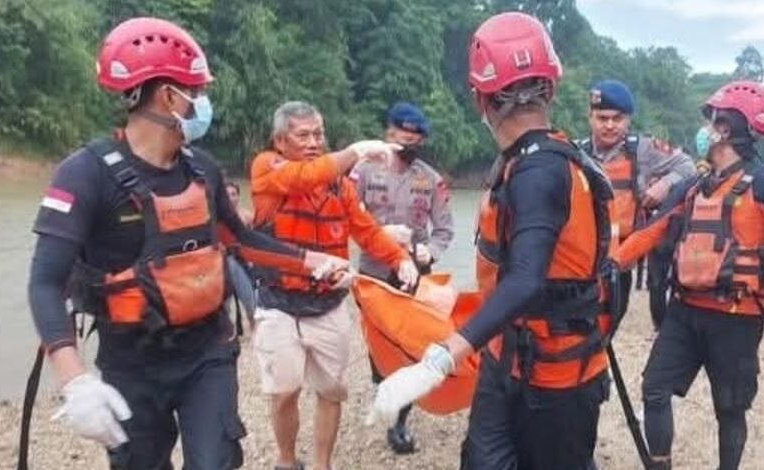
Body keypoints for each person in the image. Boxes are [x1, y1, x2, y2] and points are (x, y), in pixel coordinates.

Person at [27, 18, 348, 470]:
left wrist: (311, 260)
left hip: (206, 351)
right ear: (168, 96)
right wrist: (74, 379)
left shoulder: (202, 168)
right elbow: (44, 281)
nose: (202, 102)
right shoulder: (84, 174)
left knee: (216, 460)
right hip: (130, 359)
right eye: (196, 91)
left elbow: (241, 241)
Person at [371, 12, 616, 469]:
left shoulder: (540, 171)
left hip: (553, 377)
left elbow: (525, 280)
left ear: (479, 99)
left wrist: (439, 360)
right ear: (554, 86)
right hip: (509, 360)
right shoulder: (526, 162)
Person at [249, 100, 420, 470]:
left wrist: (400, 259)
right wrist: (355, 151)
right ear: (280, 140)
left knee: (331, 390)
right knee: (283, 391)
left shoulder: (339, 185)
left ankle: (323, 464)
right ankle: (286, 459)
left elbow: (367, 231)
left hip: (327, 305)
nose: (314, 141)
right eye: (303, 135)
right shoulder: (267, 168)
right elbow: (302, 177)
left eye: (318, 134)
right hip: (279, 301)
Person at [612, 80, 764, 470]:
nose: (705, 128)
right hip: (685, 312)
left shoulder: (759, 185)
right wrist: (610, 266)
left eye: (711, 120)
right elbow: (652, 231)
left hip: (737, 318)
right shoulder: (693, 187)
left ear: (726, 127)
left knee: (729, 410)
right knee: (655, 388)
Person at [349, 101, 454, 454]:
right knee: (377, 343)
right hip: (373, 272)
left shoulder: (432, 179)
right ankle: (383, 384)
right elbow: (345, 216)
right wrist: (379, 231)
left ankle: (399, 421)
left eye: (415, 140)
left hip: (413, 277)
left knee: (409, 345)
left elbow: (444, 230)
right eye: (402, 137)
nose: (407, 145)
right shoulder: (362, 171)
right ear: (389, 132)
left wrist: (432, 252)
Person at [577, 79, 695, 321]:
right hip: (580, 259)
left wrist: (664, 185)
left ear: (628, 120)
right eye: (602, 118)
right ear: (590, 117)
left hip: (621, 259)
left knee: (608, 326)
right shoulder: (575, 151)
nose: (609, 125)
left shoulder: (644, 149)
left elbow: (688, 166)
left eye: (617, 118)